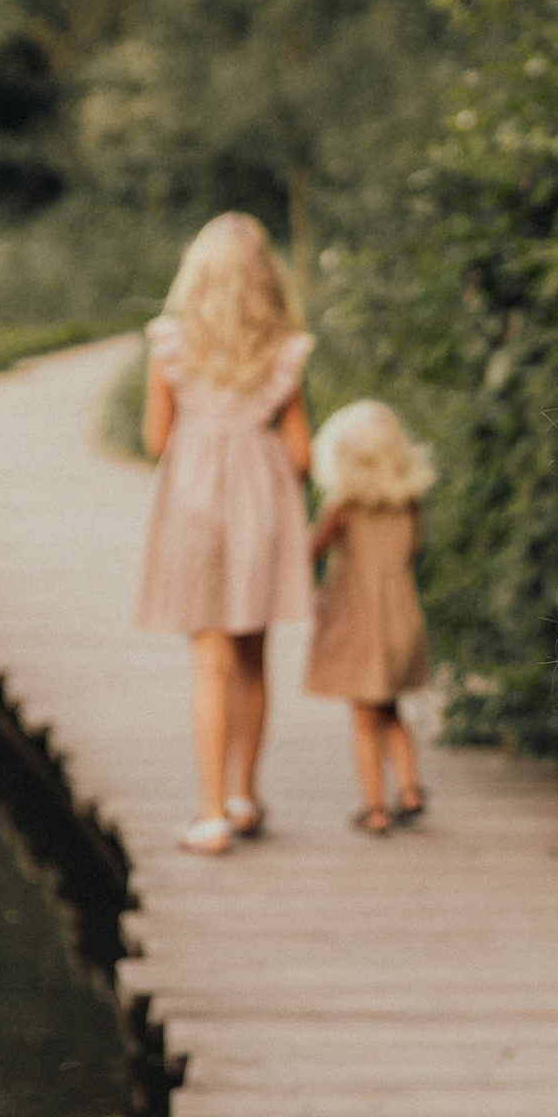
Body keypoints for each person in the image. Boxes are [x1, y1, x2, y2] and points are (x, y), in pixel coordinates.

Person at [134, 211, 316, 858]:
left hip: (193, 506)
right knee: (251, 656)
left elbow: (156, 439)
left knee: (208, 663)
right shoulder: (285, 348)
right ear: (266, 277)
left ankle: (209, 815)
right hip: (261, 506)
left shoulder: (170, 343)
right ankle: (243, 794)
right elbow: (300, 453)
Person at [303, 399, 436, 833]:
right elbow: (411, 551)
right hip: (400, 616)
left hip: (357, 619)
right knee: (391, 709)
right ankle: (410, 788)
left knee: (363, 719)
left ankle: (376, 808)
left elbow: (310, 551)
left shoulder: (342, 507)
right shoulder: (409, 504)